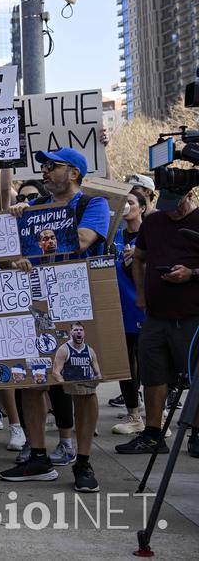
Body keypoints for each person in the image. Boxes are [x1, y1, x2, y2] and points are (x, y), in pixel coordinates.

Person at [2, 147, 110, 492]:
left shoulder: (91, 205)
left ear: (74, 173)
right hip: (36, 302)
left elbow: (81, 241)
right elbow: (9, 255)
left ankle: (83, 462)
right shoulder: (32, 209)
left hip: (75, 302)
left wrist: (34, 227)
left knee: (81, 386)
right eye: (43, 166)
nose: (44, 171)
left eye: (52, 166)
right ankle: (38, 456)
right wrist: (18, 236)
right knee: (32, 382)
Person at [116, 185, 199, 459]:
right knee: (153, 374)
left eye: (177, 205)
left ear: (190, 196)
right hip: (156, 315)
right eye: (167, 205)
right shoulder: (153, 222)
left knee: (195, 376)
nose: (172, 212)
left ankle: (197, 433)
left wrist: (192, 273)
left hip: (191, 315)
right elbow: (139, 258)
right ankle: (153, 433)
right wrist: (140, 294)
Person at [110, 190, 147, 432]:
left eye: (131, 202)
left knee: (149, 362)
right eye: (123, 202)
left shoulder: (151, 235)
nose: (126, 207)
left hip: (146, 308)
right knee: (126, 364)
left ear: (142, 208)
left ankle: (159, 414)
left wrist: (141, 258)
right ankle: (133, 415)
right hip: (120, 309)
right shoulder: (115, 237)